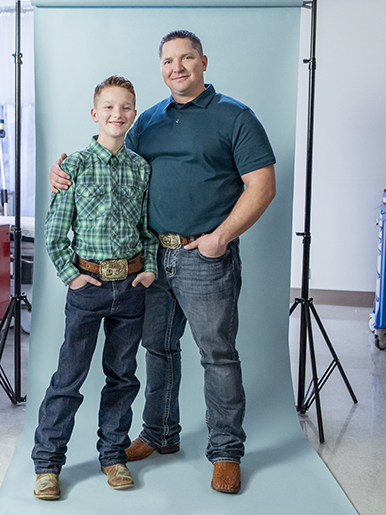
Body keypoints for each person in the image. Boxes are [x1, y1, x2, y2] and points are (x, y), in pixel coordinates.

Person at [49, 30, 277, 495]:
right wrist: (62, 169)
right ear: (161, 68)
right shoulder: (147, 120)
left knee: (217, 354)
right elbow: (113, 159)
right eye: (169, 60)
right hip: (151, 260)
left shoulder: (235, 116)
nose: (178, 67)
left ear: (204, 61)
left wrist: (220, 238)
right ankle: (159, 434)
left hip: (204, 257)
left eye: (187, 58)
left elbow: (262, 185)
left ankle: (226, 451)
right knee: (158, 350)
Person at [32, 75, 159, 500]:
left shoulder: (140, 168)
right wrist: (72, 275)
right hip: (88, 288)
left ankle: (113, 455)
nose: (116, 114)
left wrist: (149, 269)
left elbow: (147, 229)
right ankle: (48, 464)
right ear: (94, 113)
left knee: (122, 376)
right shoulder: (74, 166)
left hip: (131, 287)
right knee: (69, 376)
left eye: (125, 107)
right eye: (108, 107)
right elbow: (54, 232)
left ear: (134, 114)